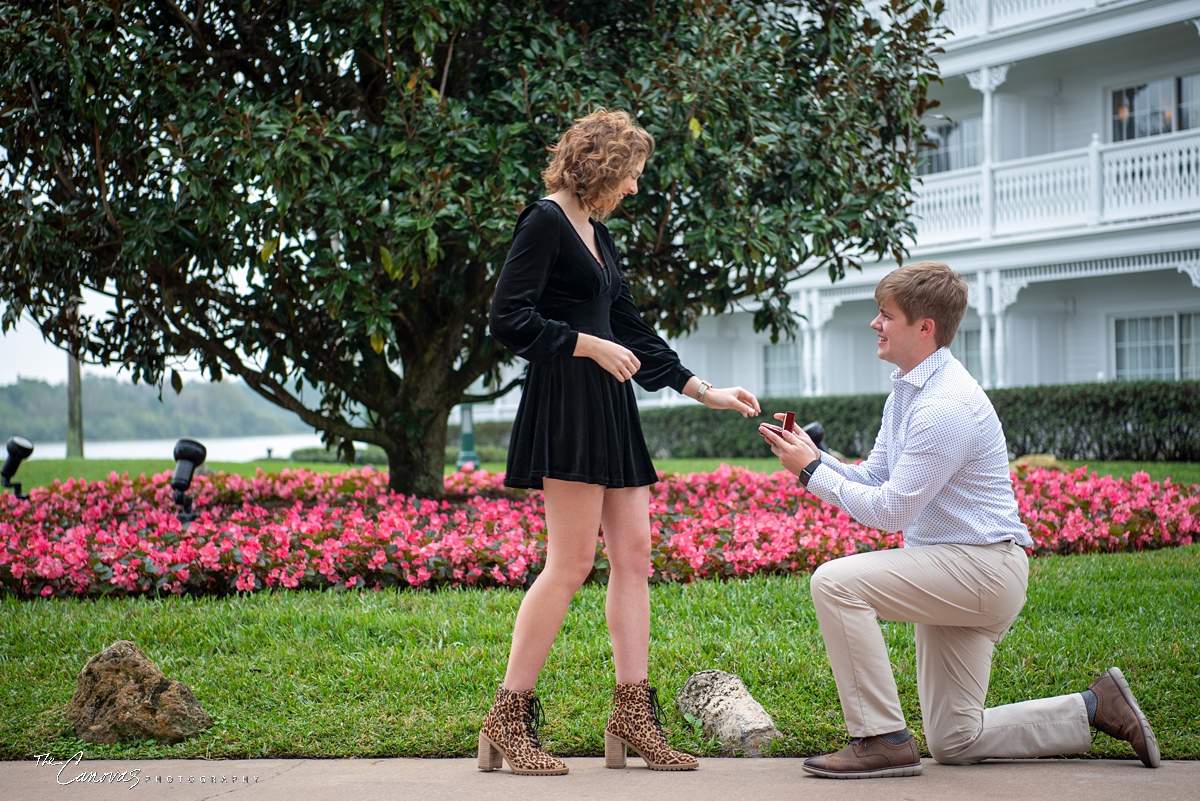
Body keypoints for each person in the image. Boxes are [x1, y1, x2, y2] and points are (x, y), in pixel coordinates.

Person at [760, 261, 1160, 779]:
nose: (874, 324)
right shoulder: (910, 389)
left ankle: (879, 737)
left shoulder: (945, 405)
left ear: (925, 327)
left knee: (834, 583)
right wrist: (814, 456)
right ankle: (1095, 706)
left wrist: (812, 472)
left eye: (886, 316)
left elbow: (890, 511)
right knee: (955, 739)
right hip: (959, 568)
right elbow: (877, 475)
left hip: (980, 570)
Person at [481, 108, 761, 777]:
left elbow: (629, 326)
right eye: (632, 173)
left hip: (610, 404)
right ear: (603, 165)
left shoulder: (596, 232)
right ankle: (507, 712)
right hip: (568, 404)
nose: (636, 187)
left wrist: (701, 387)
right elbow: (508, 317)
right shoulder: (546, 219)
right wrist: (583, 343)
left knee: (634, 555)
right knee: (572, 561)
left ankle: (632, 715)